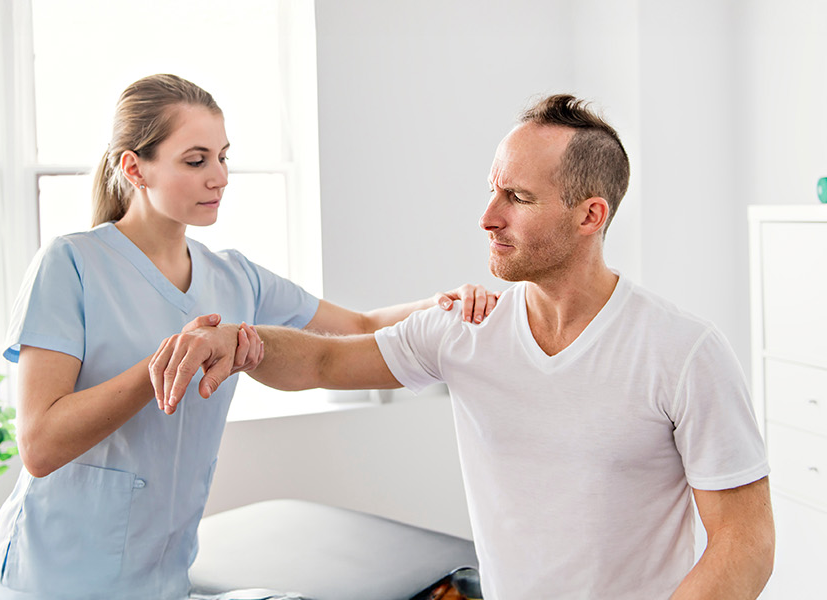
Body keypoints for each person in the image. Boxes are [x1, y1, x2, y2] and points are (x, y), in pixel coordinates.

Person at [151, 94, 775, 599]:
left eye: (518, 198)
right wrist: (240, 344)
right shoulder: (465, 328)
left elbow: (746, 544)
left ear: (590, 216)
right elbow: (324, 359)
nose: (487, 217)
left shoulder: (682, 351)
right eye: (493, 189)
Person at [0, 74, 502, 600]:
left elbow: (362, 328)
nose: (220, 177)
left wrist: (446, 305)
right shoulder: (71, 264)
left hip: (161, 579)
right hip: (53, 575)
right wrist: (164, 365)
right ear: (134, 167)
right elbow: (40, 446)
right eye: (196, 160)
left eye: (223, 157)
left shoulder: (235, 278)